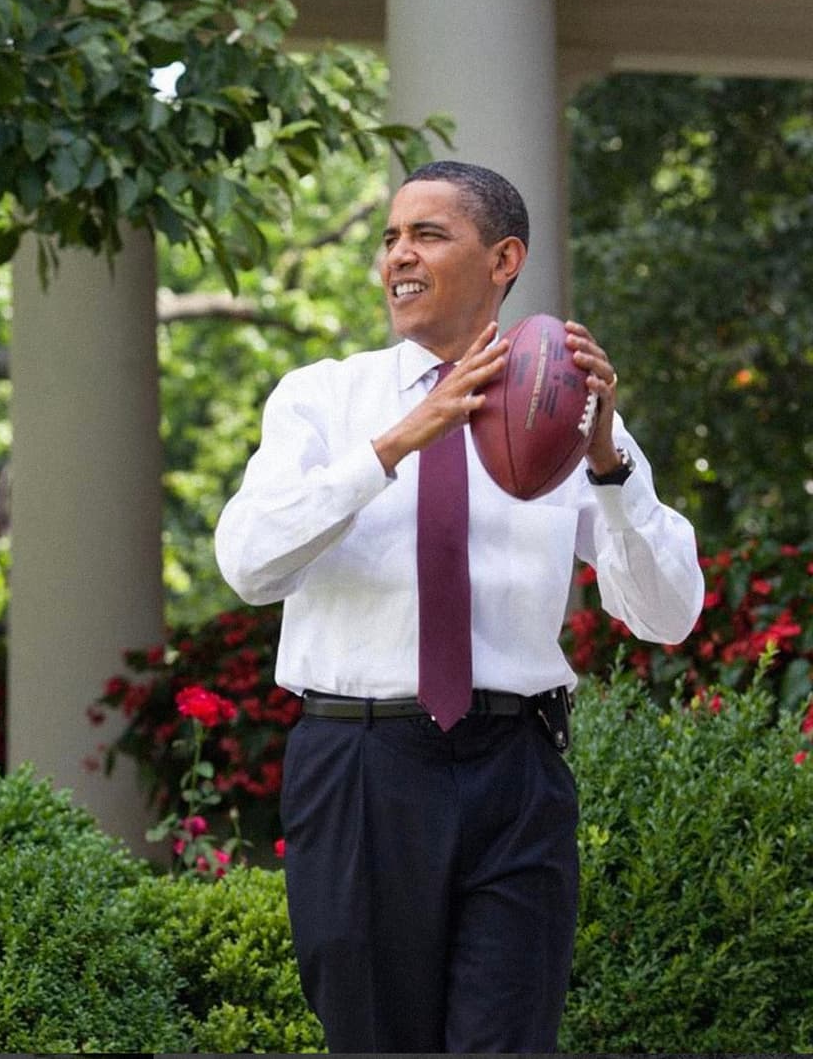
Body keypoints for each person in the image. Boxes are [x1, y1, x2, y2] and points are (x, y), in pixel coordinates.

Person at [214, 160, 704, 1053]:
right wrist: (401, 439)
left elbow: (668, 614)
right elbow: (249, 565)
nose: (399, 254)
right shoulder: (323, 399)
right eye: (391, 237)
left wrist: (607, 465)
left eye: (428, 234)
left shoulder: (563, 407)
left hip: (515, 766)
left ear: (503, 258)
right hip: (362, 764)